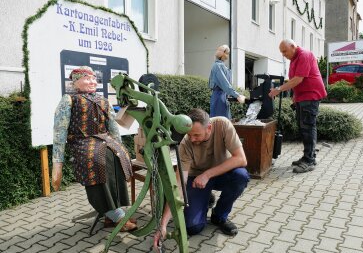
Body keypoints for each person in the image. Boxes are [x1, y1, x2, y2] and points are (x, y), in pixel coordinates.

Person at [51, 66, 136, 231]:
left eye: (93, 78)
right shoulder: (69, 100)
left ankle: (113, 212)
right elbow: (59, 131)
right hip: (82, 141)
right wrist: (57, 163)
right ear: (76, 82)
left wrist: (120, 146)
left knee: (118, 156)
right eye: (87, 78)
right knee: (97, 161)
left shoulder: (103, 100)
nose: (92, 81)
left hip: (104, 140)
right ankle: (116, 215)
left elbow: (113, 127)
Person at [153, 108, 249, 249]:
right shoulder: (185, 144)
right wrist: (163, 225)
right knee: (193, 228)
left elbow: (241, 159)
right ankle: (205, 198)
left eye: (196, 135)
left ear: (209, 128)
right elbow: (178, 185)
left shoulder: (222, 125)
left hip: (220, 174)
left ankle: (219, 215)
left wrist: (207, 174)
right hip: (196, 180)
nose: (192, 139)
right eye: (189, 135)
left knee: (241, 176)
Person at [269, 39, 327, 173]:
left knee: (308, 127)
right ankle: (308, 156)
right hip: (303, 97)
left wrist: (278, 89)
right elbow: (297, 82)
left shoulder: (304, 55)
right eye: (281, 52)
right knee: (304, 128)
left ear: (293, 46)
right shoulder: (295, 59)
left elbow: (298, 79)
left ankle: (310, 160)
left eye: (284, 51)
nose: (283, 54)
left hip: (310, 95)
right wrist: (295, 98)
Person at [209, 44, 246, 118]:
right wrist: (237, 95)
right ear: (222, 53)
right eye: (227, 53)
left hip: (223, 96)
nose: (228, 55)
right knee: (219, 123)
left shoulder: (222, 66)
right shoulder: (217, 66)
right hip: (219, 98)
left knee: (224, 123)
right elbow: (225, 84)